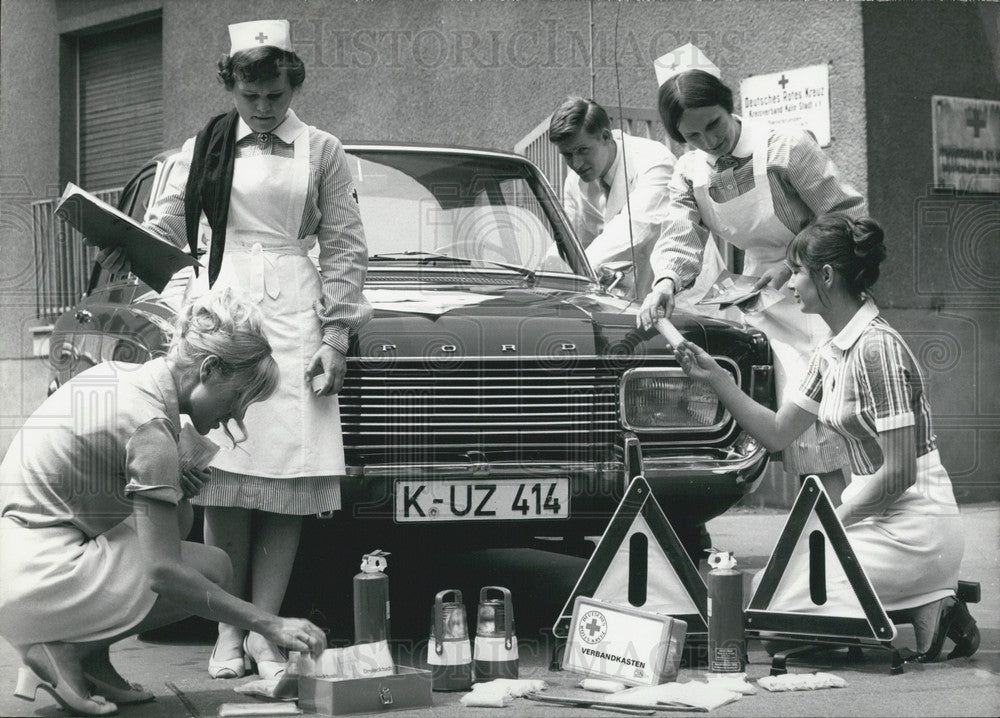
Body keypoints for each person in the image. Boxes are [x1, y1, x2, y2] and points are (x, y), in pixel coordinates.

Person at [122, 20, 371, 680]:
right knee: (225, 480)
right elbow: (159, 237)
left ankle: (267, 629)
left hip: (294, 317)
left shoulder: (323, 150)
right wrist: (185, 304)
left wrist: (337, 337)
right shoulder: (201, 147)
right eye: (251, 95)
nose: (263, 109)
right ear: (231, 84)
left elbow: (345, 246)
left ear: (294, 85)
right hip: (222, 311)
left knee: (286, 479)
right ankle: (229, 631)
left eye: (276, 96)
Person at [0, 290, 328, 716]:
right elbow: (163, 572)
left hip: (19, 564)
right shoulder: (151, 428)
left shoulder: (126, 377)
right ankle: (63, 651)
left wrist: (178, 490)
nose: (237, 419)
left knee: (194, 556)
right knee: (213, 568)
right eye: (237, 401)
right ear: (210, 369)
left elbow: (157, 528)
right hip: (36, 577)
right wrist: (269, 623)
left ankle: (93, 660)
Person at [673, 214, 979, 661]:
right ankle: (921, 606)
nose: (790, 283)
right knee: (769, 604)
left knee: (778, 624)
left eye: (797, 270)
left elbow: (898, 473)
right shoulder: (831, 350)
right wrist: (717, 378)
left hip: (918, 530)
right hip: (877, 522)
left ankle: (927, 599)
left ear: (827, 277)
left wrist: (829, 525)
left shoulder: (878, 348)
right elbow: (778, 433)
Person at [638, 44, 865, 502]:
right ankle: (822, 532)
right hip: (764, 299)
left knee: (832, 415)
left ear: (730, 105)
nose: (709, 142)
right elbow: (681, 234)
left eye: (714, 125)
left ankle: (852, 533)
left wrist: (791, 264)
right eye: (692, 136)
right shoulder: (689, 174)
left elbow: (846, 215)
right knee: (793, 416)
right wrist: (665, 281)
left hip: (824, 287)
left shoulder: (785, 146)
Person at [548, 96, 725, 302]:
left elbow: (635, 227)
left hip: (688, 289)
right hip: (637, 295)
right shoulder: (575, 182)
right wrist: (545, 276)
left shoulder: (653, 159)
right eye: (568, 155)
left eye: (582, 150)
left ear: (605, 136)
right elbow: (572, 242)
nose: (576, 163)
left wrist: (580, 276)